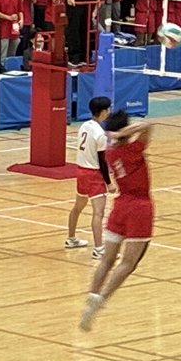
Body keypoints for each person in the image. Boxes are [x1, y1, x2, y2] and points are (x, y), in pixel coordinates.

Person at [80, 112, 153, 331]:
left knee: (107, 260)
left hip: (120, 206)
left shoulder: (111, 153)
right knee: (128, 264)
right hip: (139, 208)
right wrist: (123, 132)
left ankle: (91, 296)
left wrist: (115, 134)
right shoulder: (134, 149)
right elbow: (148, 125)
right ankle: (101, 300)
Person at [67, 96, 114, 259]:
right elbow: (102, 161)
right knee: (98, 213)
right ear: (103, 111)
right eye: (109, 109)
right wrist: (109, 183)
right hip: (93, 174)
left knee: (78, 207)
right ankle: (99, 249)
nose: (110, 111)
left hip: (81, 171)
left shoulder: (84, 126)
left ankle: (71, 238)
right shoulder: (100, 134)